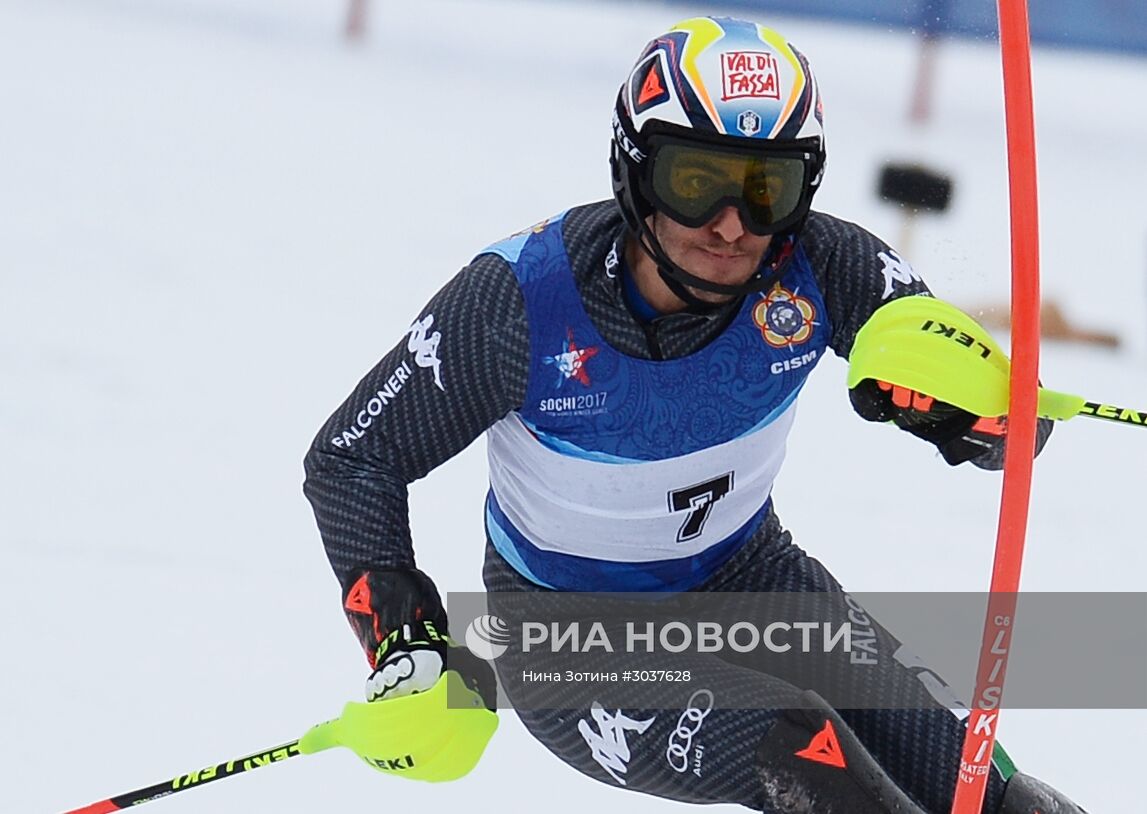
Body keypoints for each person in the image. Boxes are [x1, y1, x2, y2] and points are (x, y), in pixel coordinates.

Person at [302, 16, 1082, 814]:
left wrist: (972, 416)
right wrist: (403, 637)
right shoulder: (520, 303)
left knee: (999, 799)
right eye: (694, 180)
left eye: (765, 188)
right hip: (572, 639)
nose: (731, 223)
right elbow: (351, 459)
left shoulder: (825, 265)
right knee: (804, 755)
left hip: (757, 587)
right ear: (636, 170)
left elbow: (1012, 427)